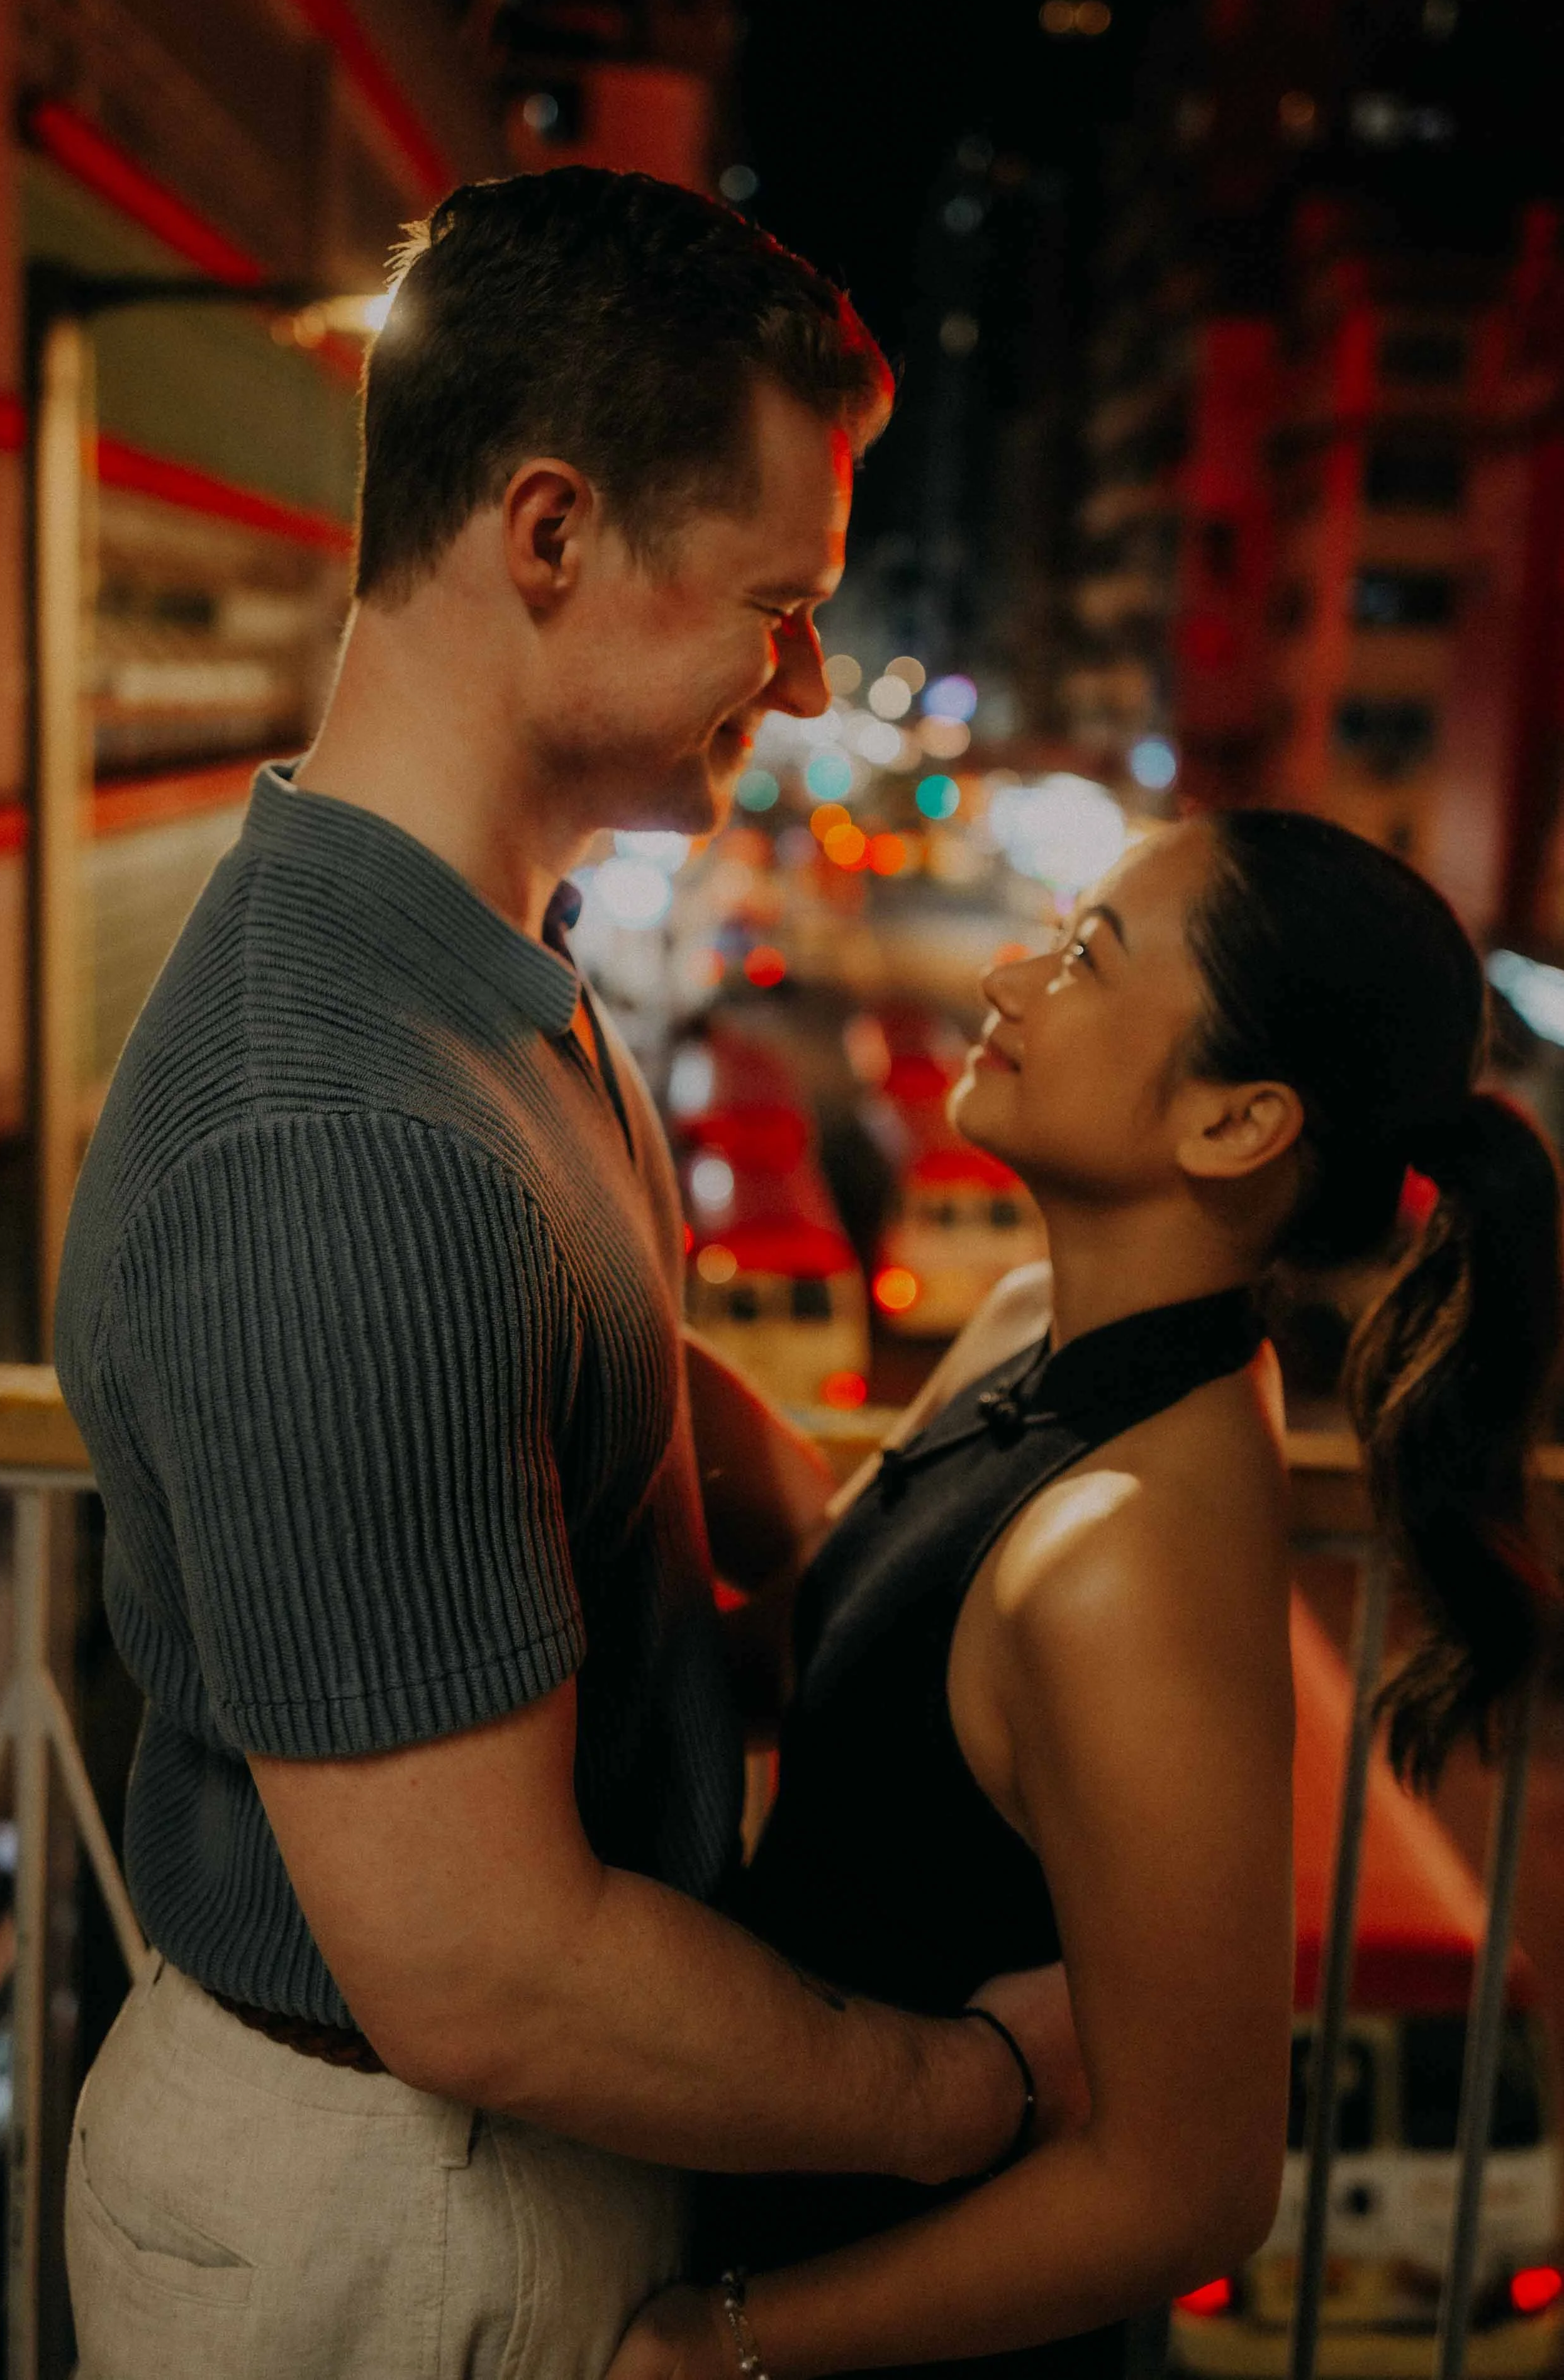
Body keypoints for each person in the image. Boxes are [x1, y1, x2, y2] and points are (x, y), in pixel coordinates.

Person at [54, 171, 1083, 2380]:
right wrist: (968, 2091)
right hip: (410, 2203)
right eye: (776, 603)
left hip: (473, 2162)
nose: (807, 676)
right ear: (549, 534)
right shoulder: (345, 1140)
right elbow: (485, 1970)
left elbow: (576, 1363)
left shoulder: (466, 961)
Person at [608, 805, 1564, 2380]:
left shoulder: (1122, 1550)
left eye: (1079, 957)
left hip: (876, 2323)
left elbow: (1185, 2187)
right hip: (773, 2190)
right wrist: (583, 1290)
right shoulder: (1029, 1322)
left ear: (1234, 1122)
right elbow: (810, 1628)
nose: (1002, 975)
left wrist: (721, 2345)